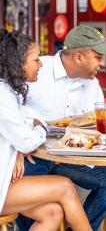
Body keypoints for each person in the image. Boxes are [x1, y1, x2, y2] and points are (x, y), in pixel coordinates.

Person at [17, 25, 106, 231]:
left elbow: (95, 123)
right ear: (78, 57)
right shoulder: (35, 70)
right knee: (35, 202)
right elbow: (10, 111)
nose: (101, 63)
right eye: (98, 57)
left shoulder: (92, 84)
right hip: (33, 155)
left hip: (69, 157)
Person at [0, 30, 91, 231]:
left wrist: (20, 147)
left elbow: (28, 120)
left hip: (6, 179)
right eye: (35, 60)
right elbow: (27, 140)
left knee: (53, 213)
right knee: (65, 186)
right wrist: (41, 131)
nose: (41, 64)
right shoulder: (3, 95)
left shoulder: (8, 91)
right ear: (18, 64)